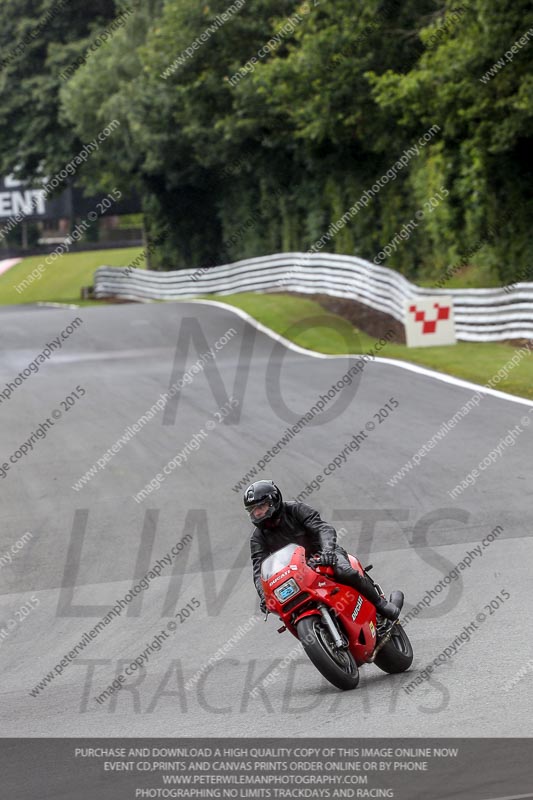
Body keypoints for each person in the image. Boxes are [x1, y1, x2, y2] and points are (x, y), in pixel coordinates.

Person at [246, 480, 401, 621]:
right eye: (253, 509)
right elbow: (259, 570)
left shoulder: (295, 510)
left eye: (261, 506)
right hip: (295, 572)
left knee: (345, 572)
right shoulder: (257, 538)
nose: (257, 513)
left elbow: (323, 528)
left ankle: (382, 606)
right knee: (287, 607)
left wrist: (328, 551)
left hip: (323, 554)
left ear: (274, 501)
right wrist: (263, 596)